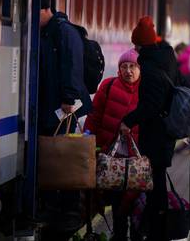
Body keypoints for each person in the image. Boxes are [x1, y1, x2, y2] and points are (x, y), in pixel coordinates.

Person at [119, 16, 188, 241]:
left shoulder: (149, 67)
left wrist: (128, 120)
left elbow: (151, 104)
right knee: (156, 179)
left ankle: (154, 229)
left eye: (136, 44)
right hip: (167, 130)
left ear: (140, 45)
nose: (135, 49)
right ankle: (153, 227)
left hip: (156, 132)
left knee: (155, 184)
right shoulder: (168, 57)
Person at [38, 0, 92, 240]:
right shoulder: (51, 31)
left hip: (66, 106)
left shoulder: (64, 32)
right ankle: (55, 209)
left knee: (66, 154)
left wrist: (69, 99)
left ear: (43, 10)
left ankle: (69, 211)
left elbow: (72, 65)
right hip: (54, 105)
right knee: (56, 153)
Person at [85, 49, 141, 241]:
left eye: (133, 66)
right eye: (124, 67)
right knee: (117, 201)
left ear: (140, 68)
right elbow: (94, 117)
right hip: (113, 156)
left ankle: (136, 234)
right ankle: (119, 235)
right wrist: (89, 143)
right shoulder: (108, 86)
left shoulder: (148, 91)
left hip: (137, 159)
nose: (128, 71)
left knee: (136, 200)